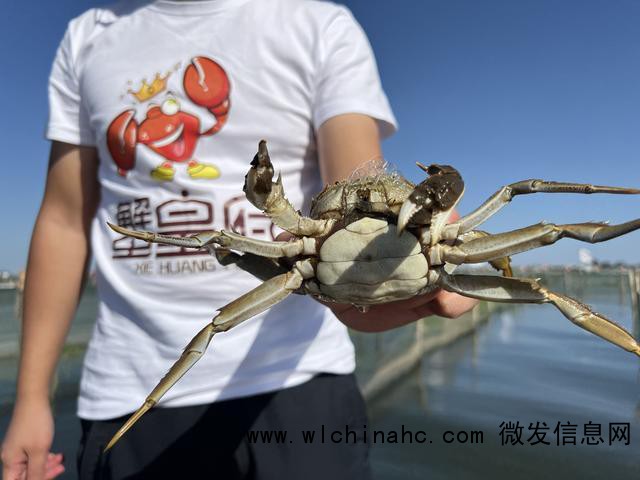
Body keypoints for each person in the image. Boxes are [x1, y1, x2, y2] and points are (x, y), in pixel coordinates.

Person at [1, 1, 477, 479]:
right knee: (220, 245)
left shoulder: (316, 23)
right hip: (128, 386)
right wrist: (31, 397)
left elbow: (359, 179)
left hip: (300, 377)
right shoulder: (88, 36)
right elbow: (63, 220)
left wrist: (388, 262)